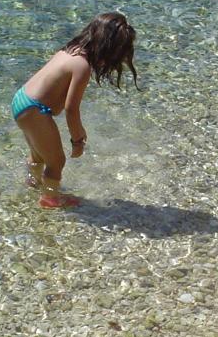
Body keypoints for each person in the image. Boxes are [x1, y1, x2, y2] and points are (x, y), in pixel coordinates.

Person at [11, 11, 138, 208]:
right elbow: (71, 109)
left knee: (39, 155)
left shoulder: (70, 50)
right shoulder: (82, 66)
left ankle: (33, 182)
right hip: (35, 109)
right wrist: (77, 139)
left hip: (21, 99)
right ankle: (49, 199)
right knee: (56, 162)